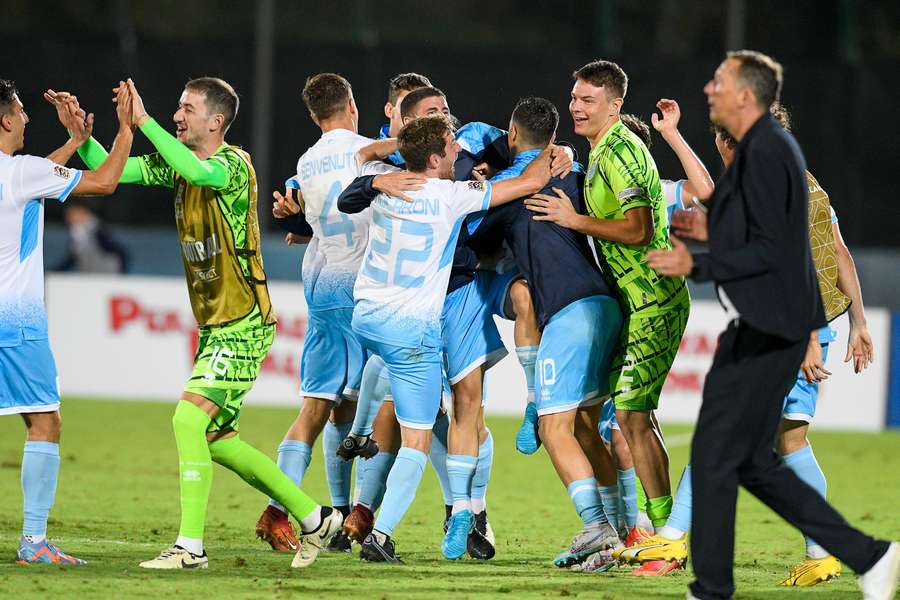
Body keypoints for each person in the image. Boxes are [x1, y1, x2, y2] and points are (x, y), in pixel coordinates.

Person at [645, 49, 897, 600]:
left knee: (734, 453)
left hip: (776, 328)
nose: (709, 87)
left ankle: (855, 556)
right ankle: (862, 557)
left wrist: (700, 261)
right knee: (740, 458)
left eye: (719, 81)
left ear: (745, 95)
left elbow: (782, 254)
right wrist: (709, 238)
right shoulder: (763, 153)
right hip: (759, 325)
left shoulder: (769, 156)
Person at [73, 77, 341, 570]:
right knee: (218, 439)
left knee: (187, 419)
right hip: (217, 325)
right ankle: (315, 517)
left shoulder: (230, 164)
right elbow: (110, 170)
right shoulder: (179, 167)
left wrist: (145, 120)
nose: (177, 115)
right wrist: (81, 138)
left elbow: (197, 170)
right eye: (175, 107)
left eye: (185, 108)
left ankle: (189, 547)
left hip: (243, 321)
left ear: (215, 121)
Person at [345, 115, 552, 562]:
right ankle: (380, 537)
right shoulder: (451, 195)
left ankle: (362, 431)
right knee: (417, 441)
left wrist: (377, 179)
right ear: (435, 158)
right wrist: (562, 153)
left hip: (366, 317)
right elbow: (529, 181)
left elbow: (353, 180)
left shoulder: (383, 181)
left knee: (399, 385)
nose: (459, 150)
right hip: (410, 328)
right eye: (451, 146)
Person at [526, 60, 691, 536]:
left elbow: (639, 230)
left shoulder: (623, 151)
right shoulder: (599, 152)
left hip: (654, 301)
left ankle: (666, 537)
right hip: (630, 305)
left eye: (587, 100)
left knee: (633, 416)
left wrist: (573, 220)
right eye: (574, 98)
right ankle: (632, 528)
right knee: (596, 415)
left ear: (614, 105)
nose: (575, 107)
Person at [466, 97, 623, 570]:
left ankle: (597, 527)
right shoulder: (573, 176)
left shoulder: (509, 191)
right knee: (587, 427)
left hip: (569, 314)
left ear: (513, 136)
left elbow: (469, 238)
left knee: (555, 427)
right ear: (555, 141)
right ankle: (623, 529)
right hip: (605, 306)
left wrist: (477, 187)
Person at [255, 72, 396, 555]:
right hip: (361, 289)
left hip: (319, 286)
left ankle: (281, 512)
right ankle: (363, 515)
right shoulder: (371, 148)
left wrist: (292, 217)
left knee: (320, 406)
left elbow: (308, 214)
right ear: (353, 105)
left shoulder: (306, 160)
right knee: (379, 411)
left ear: (314, 116)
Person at [1, 79, 134, 564]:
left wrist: (76, 143)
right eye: (20, 111)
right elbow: (105, 181)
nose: (27, 119)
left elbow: (34, 180)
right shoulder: (20, 172)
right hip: (13, 323)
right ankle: (34, 543)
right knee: (45, 421)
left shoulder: (19, 174)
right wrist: (125, 128)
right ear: (5, 119)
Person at [54, 200, 129, 273]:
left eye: (71, 214)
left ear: (83, 212)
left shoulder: (97, 229)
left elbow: (119, 252)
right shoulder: (76, 232)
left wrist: (122, 272)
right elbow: (73, 257)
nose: (68, 218)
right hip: (89, 275)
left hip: (107, 275)